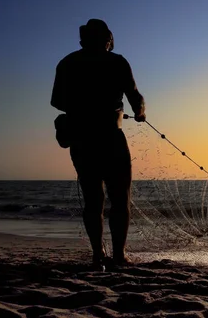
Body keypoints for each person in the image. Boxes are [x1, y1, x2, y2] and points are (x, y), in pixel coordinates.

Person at [51, 19, 146, 269]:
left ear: (83, 39)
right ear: (107, 40)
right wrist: (140, 112)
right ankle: (118, 255)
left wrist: (81, 106)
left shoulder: (67, 63)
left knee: (94, 200)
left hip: (82, 140)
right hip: (111, 137)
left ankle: (97, 255)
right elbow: (135, 97)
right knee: (120, 199)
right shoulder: (117, 62)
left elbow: (57, 101)